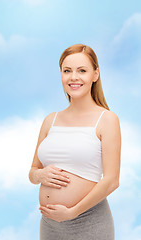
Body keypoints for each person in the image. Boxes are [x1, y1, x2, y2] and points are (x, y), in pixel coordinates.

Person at [28, 43, 121, 240]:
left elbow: (111, 181)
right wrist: (40, 175)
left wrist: (72, 212)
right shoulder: (50, 120)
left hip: (89, 223)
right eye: (67, 71)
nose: (74, 77)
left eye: (82, 71)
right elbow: (33, 171)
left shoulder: (106, 120)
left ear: (95, 75)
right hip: (50, 225)